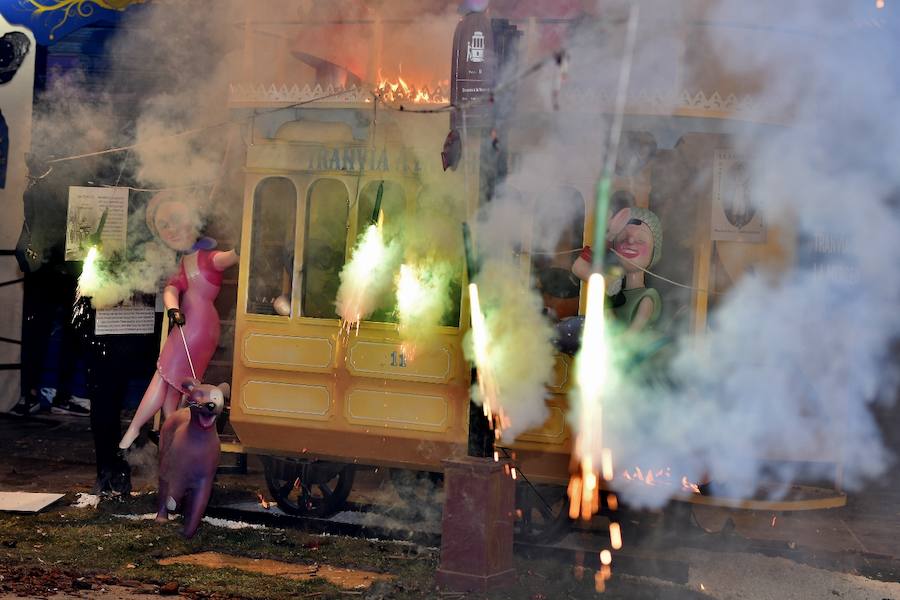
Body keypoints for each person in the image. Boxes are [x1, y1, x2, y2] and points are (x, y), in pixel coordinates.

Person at [117, 192, 238, 451]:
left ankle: (135, 429)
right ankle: (169, 432)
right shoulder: (185, 261)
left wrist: (241, 246)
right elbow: (172, 288)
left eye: (176, 220)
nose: (171, 230)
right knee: (176, 382)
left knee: (163, 376)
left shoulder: (207, 257)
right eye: (164, 225)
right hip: (189, 323)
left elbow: (228, 258)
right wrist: (173, 310)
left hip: (198, 326)